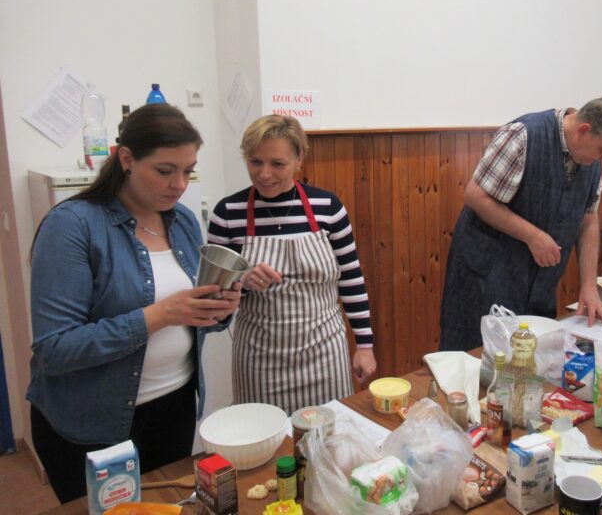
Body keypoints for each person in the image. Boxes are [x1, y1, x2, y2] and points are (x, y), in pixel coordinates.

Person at [27, 104, 241, 503]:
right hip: (93, 424)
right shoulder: (72, 226)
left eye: (188, 170)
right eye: (165, 170)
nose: (179, 184)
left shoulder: (182, 222)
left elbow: (191, 320)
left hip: (173, 407)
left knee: (166, 508)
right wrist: (160, 315)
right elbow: (55, 350)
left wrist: (217, 310)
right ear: (126, 159)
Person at [208, 114, 376, 415]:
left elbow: (351, 278)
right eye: (255, 162)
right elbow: (214, 301)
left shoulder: (328, 208)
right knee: (266, 447)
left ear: (299, 159)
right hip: (259, 359)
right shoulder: (228, 213)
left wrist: (364, 346)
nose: (264, 174)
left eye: (277, 164)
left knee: (329, 437)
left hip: (325, 353)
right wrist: (242, 282)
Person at [439, 97, 602, 351]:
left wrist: (589, 286)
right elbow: (476, 195)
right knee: (478, 357)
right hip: (484, 276)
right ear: (583, 131)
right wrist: (532, 235)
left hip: (538, 286)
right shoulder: (523, 136)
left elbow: (588, 220)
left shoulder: (592, 161)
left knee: (531, 362)